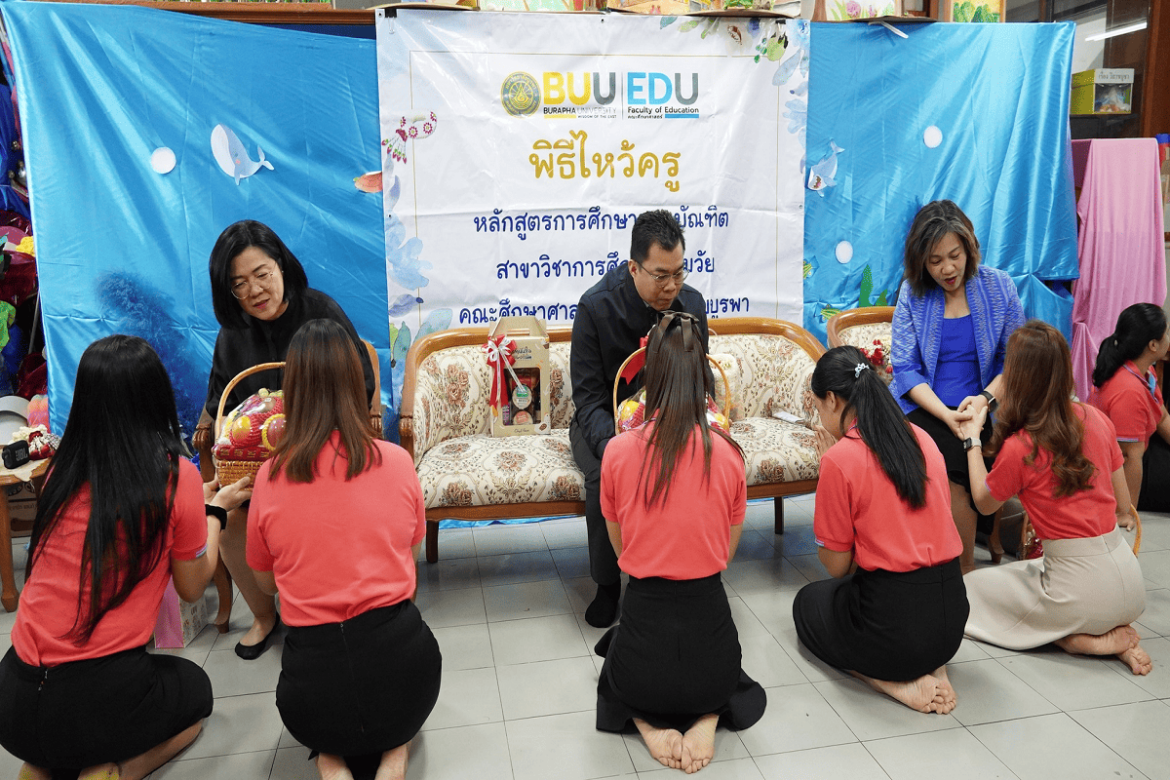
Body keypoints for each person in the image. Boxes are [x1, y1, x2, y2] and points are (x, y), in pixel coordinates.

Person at [0, 335, 251, 780]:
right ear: (156, 396)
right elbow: (193, 586)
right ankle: (113, 770)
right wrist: (214, 513)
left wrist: (198, 505)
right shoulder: (177, 477)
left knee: (58, 727)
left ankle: (41, 769)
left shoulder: (61, 470)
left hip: (12, 698)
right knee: (196, 695)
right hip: (99, 696)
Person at [246, 319, 441, 780]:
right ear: (357, 383)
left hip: (312, 693)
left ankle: (331, 761)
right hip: (402, 672)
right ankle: (395, 753)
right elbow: (407, 566)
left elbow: (266, 583)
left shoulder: (269, 476)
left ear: (291, 389)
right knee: (396, 706)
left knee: (327, 723)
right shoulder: (396, 462)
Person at [195, 219, 376, 659]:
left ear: (281, 265)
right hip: (258, 473)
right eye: (239, 284)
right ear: (228, 292)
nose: (255, 290)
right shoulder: (232, 336)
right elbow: (221, 401)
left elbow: (361, 383)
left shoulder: (321, 313)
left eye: (262, 274)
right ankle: (264, 613)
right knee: (234, 516)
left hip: (323, 461)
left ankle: (319, 608)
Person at [594, 311, 765, 775]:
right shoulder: (729, 455)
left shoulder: (617, 452)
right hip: (711, 654)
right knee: (728, 672)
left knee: (613, 665)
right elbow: (723, 555)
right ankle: (709, 715)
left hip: (643, 654)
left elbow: (620, 548)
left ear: (649, 375)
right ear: (704, 380)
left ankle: (649, 727)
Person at [961, 321, 1151, 675]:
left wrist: (972, 439)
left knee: (969, 590)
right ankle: (1105, 632)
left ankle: (1082, 640)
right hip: (1131, 582)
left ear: (1017, 379)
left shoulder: (1022, 446)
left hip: (1080, 593)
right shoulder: (1097, 419)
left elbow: (983, 502)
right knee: (1030, 573)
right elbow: (1124, 507)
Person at [793, 346, 967, 715]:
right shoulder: (922, 438)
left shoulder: (839, 461)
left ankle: (887, 680)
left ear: (832, 399)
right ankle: (935, 666)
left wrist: (832, 467)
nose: (820, 415)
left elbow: (836, 567)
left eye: (818, 406)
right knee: (871, 591)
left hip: (894, 630)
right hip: (952, 621)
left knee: (807, 604)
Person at [571, 209, 709, 628]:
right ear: (634, 267)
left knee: (704, 459)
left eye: (679, 273)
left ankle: (694, 574)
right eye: (660, 275)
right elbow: (589, 400)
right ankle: (608, 584)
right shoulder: (596, 307)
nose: (672, 286)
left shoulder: (692, 306)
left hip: (672, 420)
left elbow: (702, 383)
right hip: (607, 423)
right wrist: (618, 446)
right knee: (603, 475)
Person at [890, 200, 1025, 573]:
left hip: (988, 403)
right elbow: (905, 369)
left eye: (954, 255)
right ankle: (960, 568)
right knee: (953, 456)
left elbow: (1013, 361)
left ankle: (961, 567)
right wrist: (948, 415)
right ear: (921, 261)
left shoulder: (999, 287)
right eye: (935, 261)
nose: (947, 268)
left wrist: (982, 402)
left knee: (968, 451)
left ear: (969, 247)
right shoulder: (912, 294)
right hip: (927, 406)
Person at [1090, 302, 1170, 513]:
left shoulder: (1145, 371)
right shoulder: (1129, 390)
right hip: (1112, 474)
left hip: (1139, 453)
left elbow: (1161, 417)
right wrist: (1127, 513)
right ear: (1153, 345)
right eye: (1167, 334)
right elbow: (1128, 459)